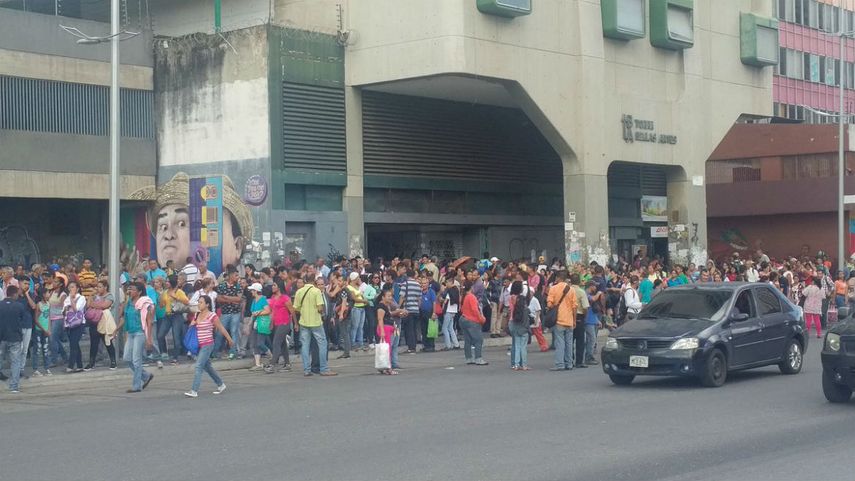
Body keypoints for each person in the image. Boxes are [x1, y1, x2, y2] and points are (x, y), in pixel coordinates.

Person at [185, 295, 232, 398]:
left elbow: (221, 328)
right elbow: (191, 327)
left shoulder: (212, 315)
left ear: (207, 304)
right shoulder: (197, 314)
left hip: (208, 344)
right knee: (207, 367)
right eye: (198, 302)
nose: (199, 304)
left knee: (198, 366)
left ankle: (194, 390)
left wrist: (229, 339)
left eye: (201, 302)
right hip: (199, 345)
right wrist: (193, 323)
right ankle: (220, 384)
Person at [294, 274, 337, 377]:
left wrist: (304, 310)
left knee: (305, 345)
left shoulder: (299, 291)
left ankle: (306, 370)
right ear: (314, 281)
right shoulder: (316, 291)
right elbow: (320, 307)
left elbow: (296, 308)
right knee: (322, 343)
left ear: (305, 281)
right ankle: (324, 368)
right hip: (316, 322)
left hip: (304, 321)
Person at [116, 282, 155, 393]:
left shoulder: (144, 304)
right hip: (131, 332)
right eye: (129, 289)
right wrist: (116, 330)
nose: (130, 292)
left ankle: (136, 385)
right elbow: (123, 318)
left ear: (139, 292)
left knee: (136, 360)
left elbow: (149, 321)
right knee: (127, 358)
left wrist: (149, 338)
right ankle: (146, 375)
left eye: (133, 290)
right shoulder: (128, 303)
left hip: (140, 333)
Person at [547, 271, 578, 371]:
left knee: (560, 343)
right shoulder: (571, 290)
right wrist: (574, 320)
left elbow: (549, 304)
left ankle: (560, 364)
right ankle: (569, 363)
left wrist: (553, 306)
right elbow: (574, 307)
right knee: (569, 343)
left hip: (559, 320)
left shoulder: (553, 288)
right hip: (569, 320)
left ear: (558, 278)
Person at [85, 280, 117, 370]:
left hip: (104, 322)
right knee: (93, 343)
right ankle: (91, 362)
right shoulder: (96, 296)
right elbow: (88, 306)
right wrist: (91, 296)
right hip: (94, 321)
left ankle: (113, 361)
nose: (98, 289)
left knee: (107, 341)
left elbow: (104, 306)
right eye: (97, 287)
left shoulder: (109, 296)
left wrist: (93, 304)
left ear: (105, 287)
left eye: (100, 287)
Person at [0, 286, 27, 392]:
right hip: (15, 337)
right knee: (15, 362)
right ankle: (14, 386)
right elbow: (22, 318)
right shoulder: (19, 306)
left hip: (1, 337)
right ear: (15, 294)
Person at [376, 286, 406, 375]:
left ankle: (384, 367)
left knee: (386, 349)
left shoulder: (386, 306)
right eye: (388, 296)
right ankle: (388, 368)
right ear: (383, 297)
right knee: (387, 349)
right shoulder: (381, 306)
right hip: (385, 328)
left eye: (391, 296)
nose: (390, 298)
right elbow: (380, 319)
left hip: (389, 328)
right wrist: (382, 331)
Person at [215, 267, 243, 360]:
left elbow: (239, 299)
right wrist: (233, 299)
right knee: (220, 332)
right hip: (225, 312)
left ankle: (232, 352)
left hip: (236, 312)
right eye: (236, 275)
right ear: (230, 275)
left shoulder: (238, 286)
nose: (237, 277)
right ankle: (215, 352)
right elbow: (218, 299)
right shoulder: (222, 285)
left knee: (233, 332)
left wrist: (226, 297)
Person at [265, 281, 293, 373]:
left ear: (279, 287)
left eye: (274, 285)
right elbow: (273, 311)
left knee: (276, 343)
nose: (272, 287)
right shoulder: (273, 297)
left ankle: (272, 365)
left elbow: (292, 311)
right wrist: (271, 323)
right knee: (282, 344)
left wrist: (295, 324)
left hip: (285, 323)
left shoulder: (285, 298)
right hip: (276, 323)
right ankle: (287, 364)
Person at [460, 280, 488, 366]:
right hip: (471, 320)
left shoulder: (464, 296)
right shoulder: (471, 297)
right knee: (478, 340)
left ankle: (468, 358)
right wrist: (481, 319)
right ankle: (478, 358)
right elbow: (475, 310)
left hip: (463, 319)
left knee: (467, 340)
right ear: (471, 287)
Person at [62, 281, 86, 373]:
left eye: (72, 287)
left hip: (79, 323)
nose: (70, 289)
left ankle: (71, 365)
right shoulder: (67, 298)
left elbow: (76, 309)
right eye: (69, 287)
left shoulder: (82, 298)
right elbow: (64, 311)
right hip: (69, 323)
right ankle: (80, 365)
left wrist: (72, 300)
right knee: (75, 344)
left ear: (77, 288)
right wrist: (67, 308)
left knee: (73, 343)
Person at [247, 283, 272, 371]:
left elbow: (268, 310)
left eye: (252, 290)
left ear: (256, 291)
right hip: (256, 323)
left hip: (263, 323)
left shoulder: (263, 300)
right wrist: (249, 323)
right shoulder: (254, 301)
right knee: (255, 344)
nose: (251, 292)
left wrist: (258, 312)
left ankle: (271, 356)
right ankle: (258, 364)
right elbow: (253, 313)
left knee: (260, 343)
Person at [46, 275, 68, 368]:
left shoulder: (63, 294)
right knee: (55, 339)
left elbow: (64, 308)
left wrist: (65, 321)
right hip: (50, 317)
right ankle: (65, 357)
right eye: (53, 281)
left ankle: (54, 360)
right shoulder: (51, 292)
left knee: (52, 339)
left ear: (60, 284)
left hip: (59, 318)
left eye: (55, 282)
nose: (53, 283)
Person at [509, 281, 531, 371]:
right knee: (523, 346)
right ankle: (524, 364)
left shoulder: (511, 298)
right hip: (522, 324)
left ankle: (515, 364)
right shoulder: (522, 301)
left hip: (513, 321)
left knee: (516, 345)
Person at [346, 272, 368, 352]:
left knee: (360, 327)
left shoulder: (358, 286)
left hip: (362, 308)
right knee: (355, 326)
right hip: (356, 308)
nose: (359, 279)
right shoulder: (349, 287)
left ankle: (360, 343)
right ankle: (353, 343)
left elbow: (361, 295)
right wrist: (364, 300)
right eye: (358, 277)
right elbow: (354, 298)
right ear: (354, 278)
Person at [585, 281, 605, 366]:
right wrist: (599, 293)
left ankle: (588, 355)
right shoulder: (586, 294)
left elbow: (593, 309)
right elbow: (593, 299)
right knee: (592, 339)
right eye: (595, 286)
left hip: (592, 319)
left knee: (590, 339)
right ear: (591, 286)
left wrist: (597, 320)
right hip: (588, 320)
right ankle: (588, 357)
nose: (596, 288)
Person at [440, 276, 461, 351]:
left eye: (447, 282)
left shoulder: (450, 290)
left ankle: (448, 345)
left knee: (444, 328)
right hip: (454, 310)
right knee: (451, 328)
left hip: (448, 310)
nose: (446, 284)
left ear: (450, 282)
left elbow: (446, 300)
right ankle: (456, 344)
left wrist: (443, 305)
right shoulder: (456, 289)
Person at [418, 276, 437, 353]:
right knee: (424, 329)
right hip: (422, 312)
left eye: (425, 283)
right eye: (422, 283)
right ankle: (425, 346)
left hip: (429, 312)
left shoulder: (431, 291)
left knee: (430, 329)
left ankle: (431, 346)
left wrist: (434, 313)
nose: (424, 285)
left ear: (428, 284)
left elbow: (434, 303)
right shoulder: (420, 292)